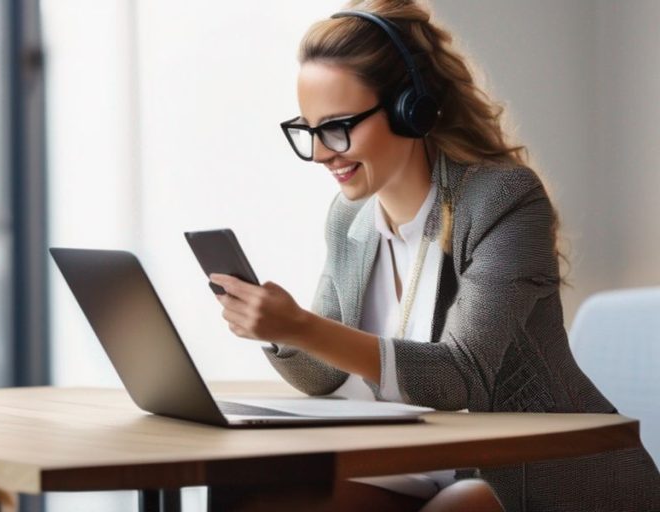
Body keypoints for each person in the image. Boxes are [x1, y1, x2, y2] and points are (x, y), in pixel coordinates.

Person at [208, 1, 660, 510]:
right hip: (416, 473)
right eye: (309, 131)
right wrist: (277, 331)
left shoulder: (504, 201)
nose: (320, 153)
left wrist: (301, 327)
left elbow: (461, 376)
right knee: (252, 495)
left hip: (524, 481)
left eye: (337, 127)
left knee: (463, 502)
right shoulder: (349, 220)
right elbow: (323, 375)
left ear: (410, 108)